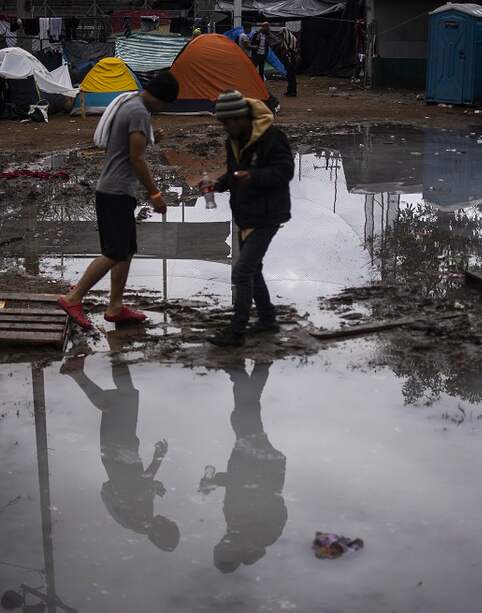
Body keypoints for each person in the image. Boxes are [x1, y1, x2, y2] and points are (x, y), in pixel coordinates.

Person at [57, 71, 179, 328]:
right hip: (115, 191)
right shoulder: (139, 112)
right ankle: (73, 297)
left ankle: (115, 306)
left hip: (116, 190)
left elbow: (130, 143)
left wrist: (152, 136)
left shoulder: (130, 102)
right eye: (165, 104)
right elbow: (136, 158)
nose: (163, 109)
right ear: (159, 98)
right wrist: (155, 194)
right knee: (114, 252)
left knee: (125, 251)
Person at [60, 353, 180, 552]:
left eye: (169, 525)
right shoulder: (139, 522)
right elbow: (136, 487)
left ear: (161, 532)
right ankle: (89, 367)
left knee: (118, 401)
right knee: (124, 398)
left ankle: (80, 370)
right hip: (118, 455)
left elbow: (141, 482)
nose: (168, 519)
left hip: (119, 453)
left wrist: (159, 457)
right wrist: (151, 487)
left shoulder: (141, 519)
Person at [204, 90, 294, 347]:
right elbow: (235, 173)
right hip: (246, 213)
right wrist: (217, 185)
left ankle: (236, 331)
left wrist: (253, 177)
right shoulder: (232, 140)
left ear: (242, 117)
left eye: (230, 122)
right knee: (253, 270)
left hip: (268, 214)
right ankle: (267, 319)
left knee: (242, 271)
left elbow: (285, 171)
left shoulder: (273, 137)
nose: (227, 127)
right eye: (223, 123)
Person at [198, 362, 286, 573]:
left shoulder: (237, 530)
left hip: (254, 462)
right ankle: (239, 371)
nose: (223, 540)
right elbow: (263, 495)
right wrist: (218, 480)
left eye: (220, 544)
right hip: (261, 463)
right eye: (224, 547)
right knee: (243, 415)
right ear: (235, 553)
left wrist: (215, 480)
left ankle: (254, 367)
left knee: (245, 413)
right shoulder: (261, 535)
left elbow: (237, 488)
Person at [280, 26, 297, 97]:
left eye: (281, 34)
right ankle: (290, 90)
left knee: (290, 76)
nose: (281, 36)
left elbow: (287, 49)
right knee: (291, 75)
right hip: (292, 58)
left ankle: (292, 91)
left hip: (289, 59)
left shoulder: (287, 40)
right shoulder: (293, 38)